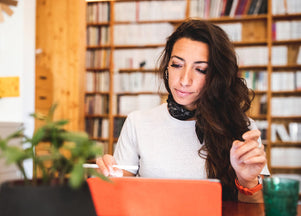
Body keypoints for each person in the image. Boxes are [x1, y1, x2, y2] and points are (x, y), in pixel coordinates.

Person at [96, 19, 269, 203]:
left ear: (217, 75)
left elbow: (255, 211)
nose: (184, 80)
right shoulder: (137, 123)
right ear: (167, 66)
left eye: (201, 69)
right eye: (177, 65)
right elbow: (119, 198)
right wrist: (107, 178)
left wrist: (247, 180)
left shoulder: (240, 126)